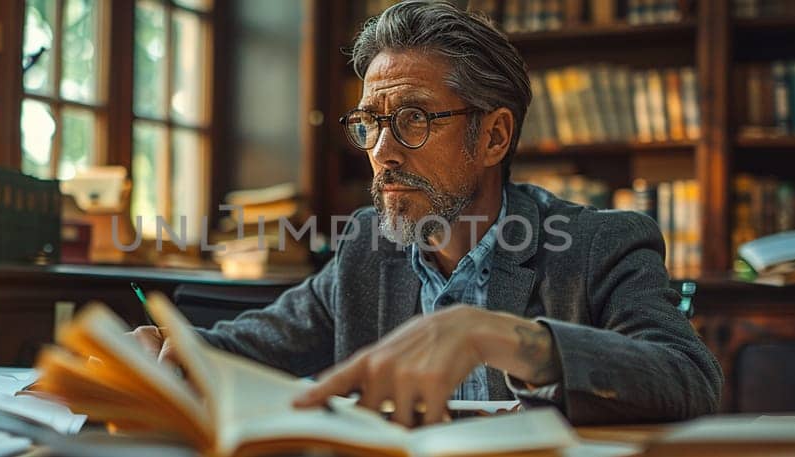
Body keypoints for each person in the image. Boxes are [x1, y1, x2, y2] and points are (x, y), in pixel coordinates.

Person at [133, 0, 720, 427]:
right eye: (369, 124)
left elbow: (689, 378)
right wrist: (168, 350)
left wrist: (496, 334)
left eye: (413, 119)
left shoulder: (595, 245)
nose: (381, 150)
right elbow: (255, 344)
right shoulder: (368, 247)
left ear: (493, 137)